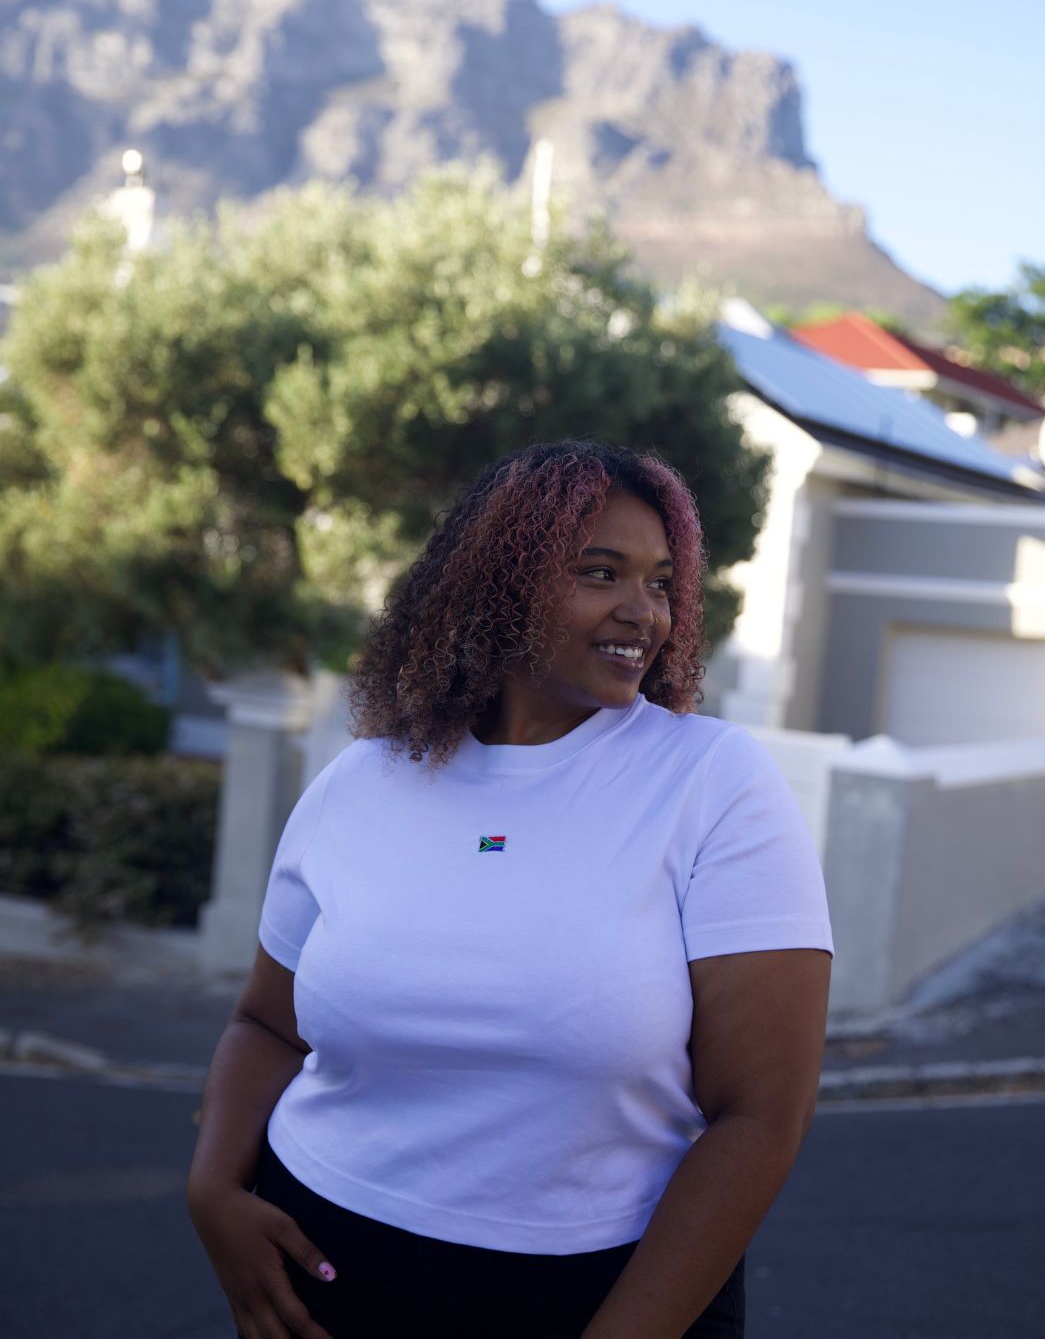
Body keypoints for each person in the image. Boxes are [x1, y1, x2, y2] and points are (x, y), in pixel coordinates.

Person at [187, 440, 833, 1339]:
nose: (641, 612)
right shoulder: (364, 779)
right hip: (322, 1278)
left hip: (600, 1300)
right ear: (500, 582)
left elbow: (761, 1116)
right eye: (600, 572)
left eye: (660, 583)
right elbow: (264, 1024)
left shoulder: (713, 782)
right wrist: (213, 1190)